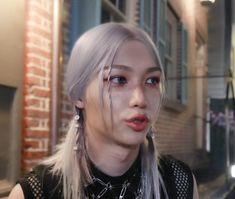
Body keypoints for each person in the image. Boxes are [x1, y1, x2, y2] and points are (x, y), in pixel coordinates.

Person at [9, 22, 199, 199]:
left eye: (152, 81)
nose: (140, 99)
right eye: (118, 79)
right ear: (78, 95)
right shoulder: (37, 192)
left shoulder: (179, 182)